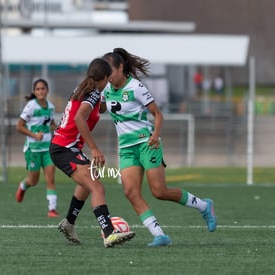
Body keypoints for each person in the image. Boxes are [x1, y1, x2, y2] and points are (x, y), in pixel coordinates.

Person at [102, 48, 217, 247]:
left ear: (121, 68)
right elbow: (101, 108)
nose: (108, 77)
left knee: (159, 191)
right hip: (127, 149)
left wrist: (155, 135)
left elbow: (158, 114)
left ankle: (204, 205)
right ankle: (159, 235)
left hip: (147, 144)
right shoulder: (106, 89)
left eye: (110, 71)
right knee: (130, 192)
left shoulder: (136, 87)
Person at [50, 58, 135, 248]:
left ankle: (69, 223)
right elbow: (80, 118)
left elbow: (99, 108)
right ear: (104, 77)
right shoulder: (93, 93)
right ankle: (109, 234)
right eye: (109, 77)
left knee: (90, 181)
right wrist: (95, 148)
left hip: (65, 147)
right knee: (97, 188)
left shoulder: (87, 88)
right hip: (63, 148)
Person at [15, 78, 59, 218]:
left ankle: (52, 210)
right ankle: (23, 186)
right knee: (33, 181)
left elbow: (50, 123)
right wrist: (34, 135)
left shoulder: (50, 107)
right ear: (35, 91)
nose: (41, 91)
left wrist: (59, 128)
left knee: (50, 178)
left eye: (43, 88)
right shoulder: (31, 106)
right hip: (33, 150)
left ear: (47, 90)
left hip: (47, 149)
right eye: (38, 89)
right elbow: (19, 126)